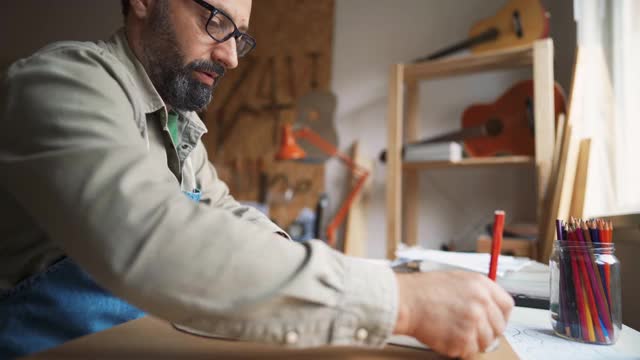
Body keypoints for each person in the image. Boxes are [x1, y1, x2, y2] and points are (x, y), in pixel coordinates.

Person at [0, 0, 514, 358]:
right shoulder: (61, 85)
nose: (229, 56)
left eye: (239, 35)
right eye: (216, 21)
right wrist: (399, 301)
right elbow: (154, 240)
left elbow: (224, 214)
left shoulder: (178, 128)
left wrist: (302, 262)